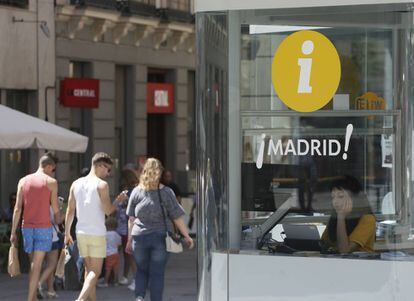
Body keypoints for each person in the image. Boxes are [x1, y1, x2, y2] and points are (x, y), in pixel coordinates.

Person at [126, 158, 194, 301]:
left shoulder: (136, 192)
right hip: (160, 237)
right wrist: (186, 236)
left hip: (139, 237)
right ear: (160, 172)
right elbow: (176, 216)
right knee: (157, 273)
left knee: (142, 270)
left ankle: (139, 297)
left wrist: (129, 240)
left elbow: (131, 219)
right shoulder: (167, 192)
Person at [64, 152, 127, 301]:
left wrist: (67, 233)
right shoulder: (102, 185)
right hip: (97, 233)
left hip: (80, 232)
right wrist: (118, 200)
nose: (108, 173)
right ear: (99, 165)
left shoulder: (76, 183)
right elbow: (108, 211)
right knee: (96, 272)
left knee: (89, 270)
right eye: (108, 169)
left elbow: (70, 210)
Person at [10, 152, 60, 301]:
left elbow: (17, 208)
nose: (53, 172)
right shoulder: (51, 182)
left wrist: (13, 231)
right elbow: (56, 211)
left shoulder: (23, 181)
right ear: (49, 166)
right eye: (53, 169)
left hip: (26, 228)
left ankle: (34, 298)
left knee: (34, 265)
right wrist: (61, 218)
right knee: (36, 265)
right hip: (44, 228)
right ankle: (30, 299)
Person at [321, 175, 376, 253]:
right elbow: (324, 243)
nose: (335, 201)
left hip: (361, 263)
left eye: (340, 196)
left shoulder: (367, 218)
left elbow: (344, 250)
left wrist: (341, 216)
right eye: (333, 197)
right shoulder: (335, 217)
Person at [116, 169, 138, 289]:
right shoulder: (136, 190)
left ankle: (136, 280)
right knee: (129, 255)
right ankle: (125, 277)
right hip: (130, 227)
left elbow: (124, 212)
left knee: (130, 255)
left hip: (126, 228)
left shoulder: (127, 193)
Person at [38, 203, 65, 299]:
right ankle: (39, 284)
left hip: (38, 235)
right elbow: (57, 220)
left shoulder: (38, 204)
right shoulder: (53, 205)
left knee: (47, 265)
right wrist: (65, 213)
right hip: (51, 236)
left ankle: (51, 290)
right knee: (52, 265)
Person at [97, 217, 122, 288]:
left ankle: (105, 282)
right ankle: (116, 282)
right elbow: (119, 245)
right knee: (116, 269)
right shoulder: (117, 235)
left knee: (108, 269)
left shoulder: (105, 235)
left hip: (108, 254)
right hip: (116, 253)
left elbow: (102, 244)